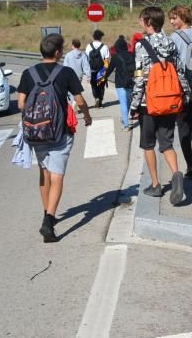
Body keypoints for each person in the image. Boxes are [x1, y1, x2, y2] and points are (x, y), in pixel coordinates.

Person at [16, 33, 92, 243]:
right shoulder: (65, 72)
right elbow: (80, 99)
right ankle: (49, 220)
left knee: (44, 172)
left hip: (36, 133)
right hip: (60, 132)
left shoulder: (28, 73)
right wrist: (87, 116)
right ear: (58, 52)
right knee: (57, 175)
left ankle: (46, 212)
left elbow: (21, 104)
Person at [130, 6, 186, 205]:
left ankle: (156, 184)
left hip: (149, 103)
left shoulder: (140, 45)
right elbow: (179, 71)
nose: (139, 23)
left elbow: (139, 79)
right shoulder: (170, 42)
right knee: (167, 143)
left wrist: (133, 106)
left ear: (147, 21)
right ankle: (177, 173)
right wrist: (184, 96)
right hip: (170, 100)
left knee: (148, 145)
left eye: (140, 20)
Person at [168, 5, 192, 178]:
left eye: (174, 18)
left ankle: (189, 165)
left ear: (182, 17)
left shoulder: (174, 37)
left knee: (183, 126)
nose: (171, 21)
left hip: (181, 86)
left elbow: (171, 62)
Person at [105, 35, 134, 129]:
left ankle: (126, 125)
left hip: (120, 83)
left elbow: (109, 69)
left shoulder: (115, 57)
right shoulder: (132, 55)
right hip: (130, 82)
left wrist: (104, 78)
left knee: (123, 103)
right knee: (128, 102)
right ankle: (125, 118)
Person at [86, 29, 110, 108]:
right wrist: (105, 71)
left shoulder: (89, 46)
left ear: (93, 37)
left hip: (91, 70)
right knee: (101, 86)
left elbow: (86, 59)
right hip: (101, 71)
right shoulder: (104, 47)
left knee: (93, 86)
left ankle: (96, 97)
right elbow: (106, 60)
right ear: (100, 37)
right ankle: (100, 101)